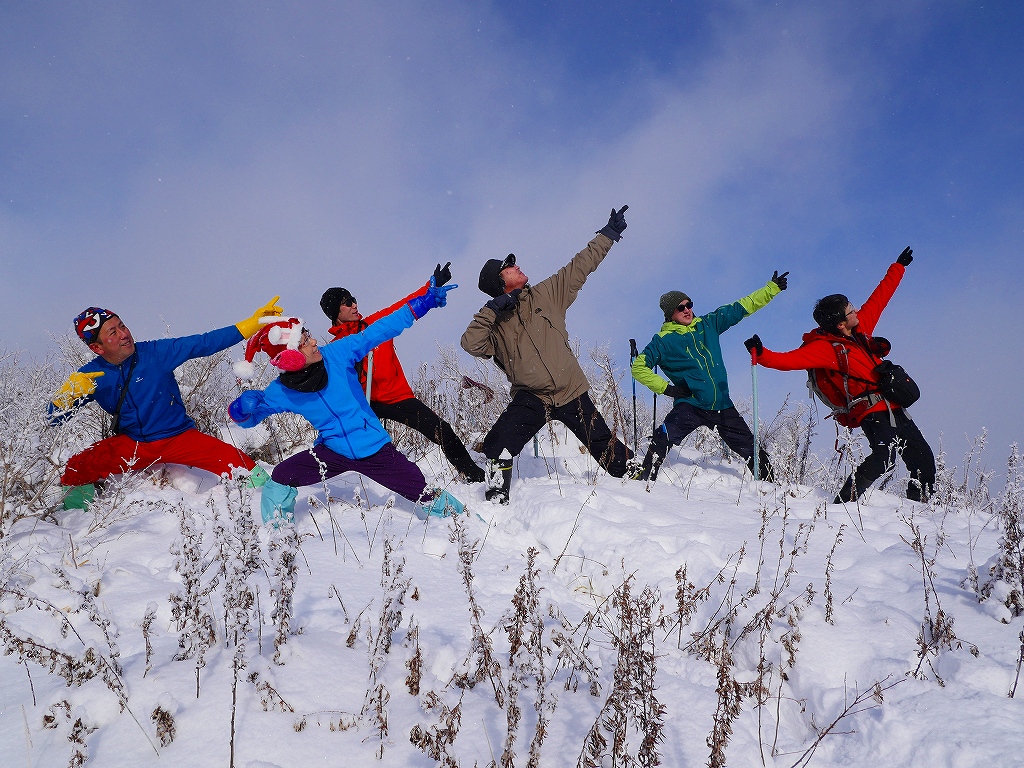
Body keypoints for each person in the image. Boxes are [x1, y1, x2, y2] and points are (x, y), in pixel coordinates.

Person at [228, 276, 464, 524]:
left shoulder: (336, 354)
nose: (315, 341)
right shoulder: (282, 391)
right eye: (306, 341)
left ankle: (465, 522)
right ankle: (278, 537)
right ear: (291, 357)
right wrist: (241, 408)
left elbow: (378, 330)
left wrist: (421, 305)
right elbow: (249, 419)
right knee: (280, 477)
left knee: (424, 492)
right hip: (332, 453)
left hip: (375, 451)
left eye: (309, 336)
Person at [461, 206, 634, 504]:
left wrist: (608, 234)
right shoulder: (495, 323)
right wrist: (491, 310)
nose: (517, 266)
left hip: (571, 391)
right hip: (532, 396)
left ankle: (639, 480)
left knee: (605, 446)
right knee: (499, 443)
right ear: (499, 283)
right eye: (509, 267)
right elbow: (471, 344)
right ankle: (495, 496)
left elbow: (580, 266)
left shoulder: (546, 294)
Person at [744, 247, 935, 503]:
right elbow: (790, 360)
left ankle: (919, 510)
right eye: (850, 310)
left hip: (895, 405)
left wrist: (898, 267)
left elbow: (880, 297)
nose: (856, 310)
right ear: (840, 324)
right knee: (884, 458)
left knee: (924, 460)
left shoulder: (859, 329)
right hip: (871, 410)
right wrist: (762, 353)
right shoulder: (826, 348)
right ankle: (843, 504)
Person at [51, 299, 283, 508]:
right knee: (76, 469)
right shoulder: (89, 376)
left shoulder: (155, 352)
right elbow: (53, 419)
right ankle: (77, 522)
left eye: (122, 325)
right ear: (97, 348)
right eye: (113, 331)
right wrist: (66, 397)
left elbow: (203, 343)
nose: (124, 334)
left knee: (244, 467)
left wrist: (252, 324)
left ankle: (272, 505)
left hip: (180, 438)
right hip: (133, 444)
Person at [319, 263, 486, 483]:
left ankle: (474, 476)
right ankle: (334, 483)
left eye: (354, 298)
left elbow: (405, 305)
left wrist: (431, 286)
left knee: (441, 430)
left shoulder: (375, 324)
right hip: (364, 404)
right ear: (335, 312)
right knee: (346, 445)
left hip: (397, 397)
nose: (354, 304)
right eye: (347, 302)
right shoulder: (335, 347)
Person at [631, 271, 789, 482]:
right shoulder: (663, 341)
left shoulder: (708, 324)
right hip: (691, 404)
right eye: (681, 307)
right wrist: (668, 389)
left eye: (689, 304)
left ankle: (771, 489)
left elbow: (741, 307)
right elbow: (638, 367)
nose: (687, 310)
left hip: (722, 404)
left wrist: (771, 289)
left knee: (753, 450)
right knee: (663, 438)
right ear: (671, 313)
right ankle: (642, 481)